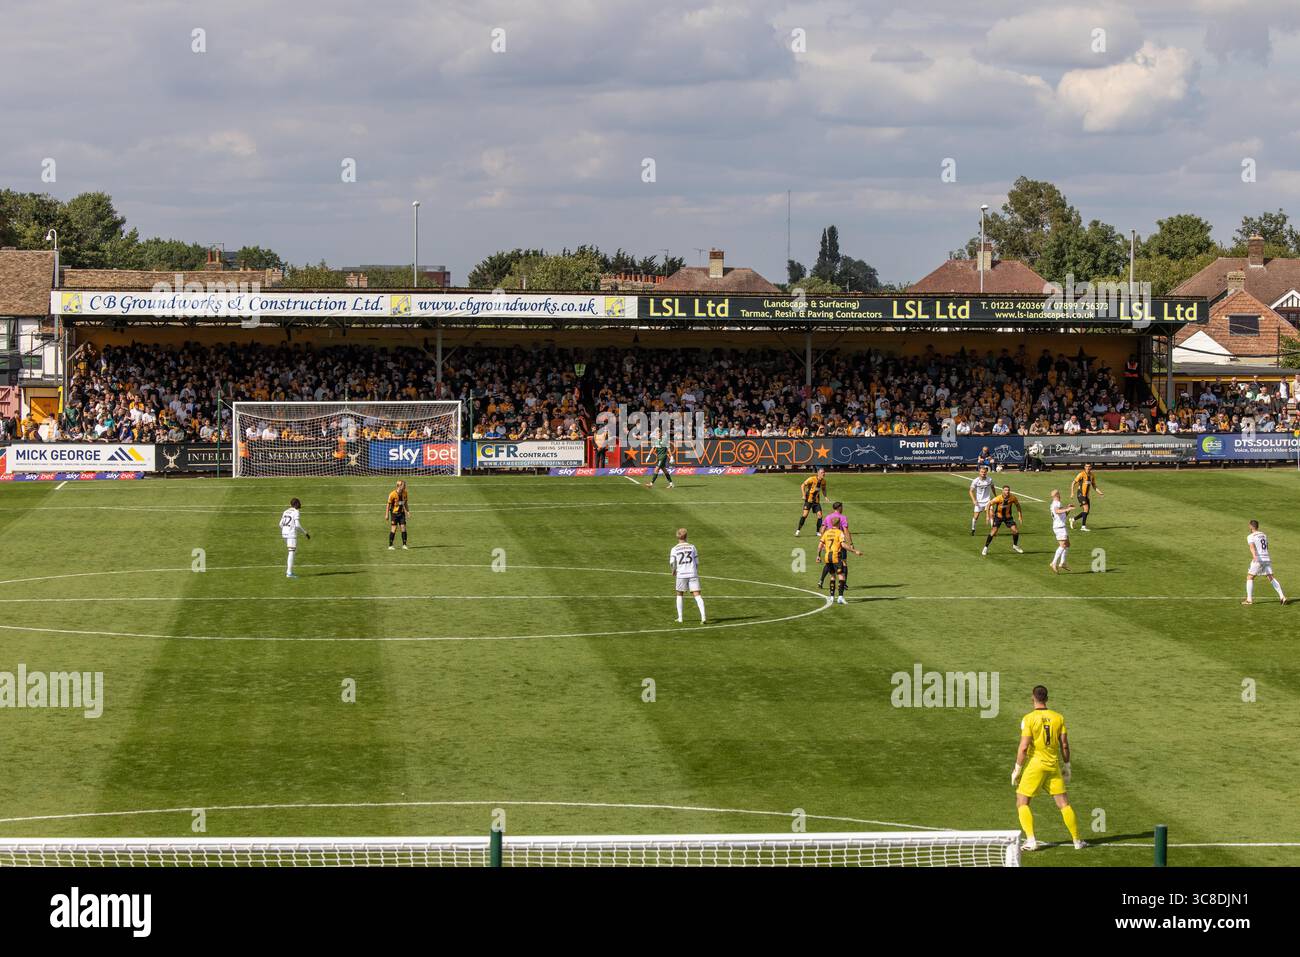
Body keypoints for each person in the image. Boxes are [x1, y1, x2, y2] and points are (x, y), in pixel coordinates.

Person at [1012, 685, 1086, 852]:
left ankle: (1031, 840)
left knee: (1022, 802)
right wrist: (1067, 765)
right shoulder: (1058, 717)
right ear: (1047, 698)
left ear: (1033, 698)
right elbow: (1064, 745)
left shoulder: (1029, 719)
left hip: (1035, 765)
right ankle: (1077, 841)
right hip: (1053, 766)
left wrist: (1017, 768)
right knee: (1064, 804)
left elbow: (1023, 747)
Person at [1243, 520, 1288, 606]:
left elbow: (1252, 547)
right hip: (1267, 557)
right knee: (1271, 577)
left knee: (1250, 577)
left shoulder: (1250, 536)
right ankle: (1282, 596)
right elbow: (1266, 546)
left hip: (1258, 559)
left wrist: (1254, 556)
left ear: (1251, 527)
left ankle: (1249, 600)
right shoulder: (1264, 535)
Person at [817, 516, 859, 605]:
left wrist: (818, 556)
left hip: (827, 557)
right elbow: (843, 545)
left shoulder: (826, 533)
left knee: (832, 576)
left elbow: (820, 545)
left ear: (831, 523)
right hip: (836, 556)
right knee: (841, 576)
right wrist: (854, 551)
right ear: (839, 523)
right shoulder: (839, 533)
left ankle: (831, 597)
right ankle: (840, 597)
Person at [669, 528, 706, 623]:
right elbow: (697, 562)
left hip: (681, 574)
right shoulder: (692, 547)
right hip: (692, 573)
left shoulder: (674, 548)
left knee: (679, 594)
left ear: (677, 536)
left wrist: (673, 571)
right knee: (697, 595)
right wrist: (694, 571)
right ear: (686, 536)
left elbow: (673, 563)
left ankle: (680, 618)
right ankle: (703, 617)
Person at [819, 501, 856, 590]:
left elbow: (822, 529)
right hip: (839, 543)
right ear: (839, 508)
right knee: (843, 562)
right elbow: (846, 531)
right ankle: (844, 584)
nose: (842, 509)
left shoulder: (828, 517)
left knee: (829, 562)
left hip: (828, 543)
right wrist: (850, 543)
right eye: (842, 507)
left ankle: (821, 581)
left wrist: (823, 542)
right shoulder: (842, 517)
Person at [982, 486, 1023, 556]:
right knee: (993, 532)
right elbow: (988, 505)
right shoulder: (998, 498)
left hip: (1008, 517)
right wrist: (987, 516)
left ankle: (1015, 546)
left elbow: (1018, 505)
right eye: (1006, 490)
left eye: (1008, 490)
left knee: (1015, 531)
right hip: (998, 517)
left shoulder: (1013, 498)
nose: (1007, 491)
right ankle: (985, 547)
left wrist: (1020, 516)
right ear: (1002, 491)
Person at [279, 497, 310, 578]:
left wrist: (285, 530)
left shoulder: (285, 511)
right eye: (299, 503)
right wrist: (305, 533)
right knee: (291, 552)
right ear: (296, 504)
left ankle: (289, 572)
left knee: (292, 551)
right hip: (291, 534)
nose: (300, 504)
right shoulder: (296, 511)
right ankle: (289, 573)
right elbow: (297, 525)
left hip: (284, 533)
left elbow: (280, 524)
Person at [1069, 463, 1103, 531]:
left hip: (1087, 496)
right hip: (1081, 494)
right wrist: (1072, 493)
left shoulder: (1092, 476)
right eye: (1086, 466)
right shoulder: (1081, 474)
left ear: (1091, 467)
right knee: (1086, 509)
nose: (1088, 467)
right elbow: (1073, 483)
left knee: (1086, 512)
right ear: (1084, 467)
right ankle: (1083, 527)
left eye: (1089, 466)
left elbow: (1094, 486)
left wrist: (1099, 492)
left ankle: (1072, 519)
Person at [795, 467, 827, 536]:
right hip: (809, 500)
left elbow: (824, 489)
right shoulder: (811, 479)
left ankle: (818, 532)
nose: (823, 474)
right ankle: (798, 530)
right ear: (818, 473)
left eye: (824, 472)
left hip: (816, 501)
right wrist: (803, 495)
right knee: (805, 515)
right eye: (822, 473)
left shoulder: (823, 481)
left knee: (820, 515)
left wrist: (825, 496)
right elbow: (802, 485)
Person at [1048, 490, 1074, 574]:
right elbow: (1057, 511)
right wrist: (1068, 508)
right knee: (1062, 545)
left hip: (1060, 526)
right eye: (1059, 493)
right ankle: (1054, 563)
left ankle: (1062, 562)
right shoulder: (1057, 503)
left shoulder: (1055, 503)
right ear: (1058, 495)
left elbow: (1063, 515)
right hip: (1059, 527)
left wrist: (1067, 509)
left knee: (1067, 544)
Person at [968, 465, 994, 535]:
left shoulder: (989, 480)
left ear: (986, 473)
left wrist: (995, 496)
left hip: (988, 501)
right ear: (979, 472)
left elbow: (992, 487)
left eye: (984, 472)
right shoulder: (975, 481)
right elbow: (970, 491)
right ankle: (973, 529)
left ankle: (993, 531)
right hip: (979, 502)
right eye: (982, 472)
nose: (983, 473)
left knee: (992, 514)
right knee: (976, 517)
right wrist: (974, 500)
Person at [386, 479, 409, 550]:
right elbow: (388, 505)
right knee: (394, 529)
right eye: (403, 485)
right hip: (394, 514)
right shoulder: (392, 494)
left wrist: (408, 511)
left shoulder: (405, 493)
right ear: (399, 486)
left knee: (403, 528)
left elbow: (405, 503)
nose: (405, 486)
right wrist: (386, 514)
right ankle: (390, 545)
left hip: (401, 514)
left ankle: (404, 545)